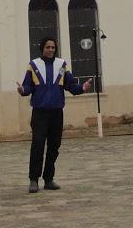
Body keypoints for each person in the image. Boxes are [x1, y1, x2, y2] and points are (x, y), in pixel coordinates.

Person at [16, 36, 92, 193]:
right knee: (37, 145)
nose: (50, 50)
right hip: (39, 113)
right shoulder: (33, 65)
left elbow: (70, 85)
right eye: (47, 47)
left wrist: (81, 88)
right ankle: (33, 179)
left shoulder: (62, 65)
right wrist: (23, 90)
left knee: (54, 146)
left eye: (53, 47)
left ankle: (49, 179)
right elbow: (28, 86)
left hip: (56, 113)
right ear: (42, 48)